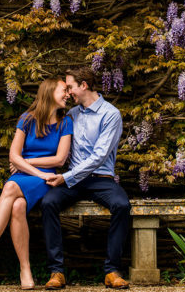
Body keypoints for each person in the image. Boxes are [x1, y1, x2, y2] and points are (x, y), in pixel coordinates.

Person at [0, 76, 73, 289]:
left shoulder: (65, 122)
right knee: (17, 205)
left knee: (10, 186)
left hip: (46, 177)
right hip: (27, 175)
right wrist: (29, 168)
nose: (68, 95)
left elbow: (60, 159)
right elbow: (13, 156)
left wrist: (30, 165)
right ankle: (25, 269)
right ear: (50, 92)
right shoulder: (27, 119)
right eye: (64, 90)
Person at [40, 66, 131, 290]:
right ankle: (56, 271)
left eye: (70, 87)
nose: (68, 92)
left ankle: (112, 271)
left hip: (101, 178)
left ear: (84, 85)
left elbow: (99, 156)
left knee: (122, 205)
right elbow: (51, 143)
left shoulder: (110, 114)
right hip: (74, 180)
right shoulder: (71, 114)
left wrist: (66, 177)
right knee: (48, 203)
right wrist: (23, 161)